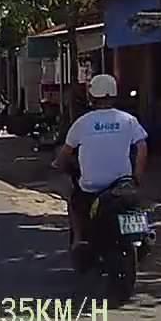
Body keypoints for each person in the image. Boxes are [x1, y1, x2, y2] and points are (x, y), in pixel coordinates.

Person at [54, 74, 148, 254]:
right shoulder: (128, 120)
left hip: (92, 186)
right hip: (122, 183)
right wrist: (138, 175)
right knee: (134, 203)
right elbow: (142, 146)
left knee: (75, 203)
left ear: (91, 96)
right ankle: (143, 234)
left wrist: (58, 164)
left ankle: (79, 240)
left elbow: (66, 152)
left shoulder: (82, 123)